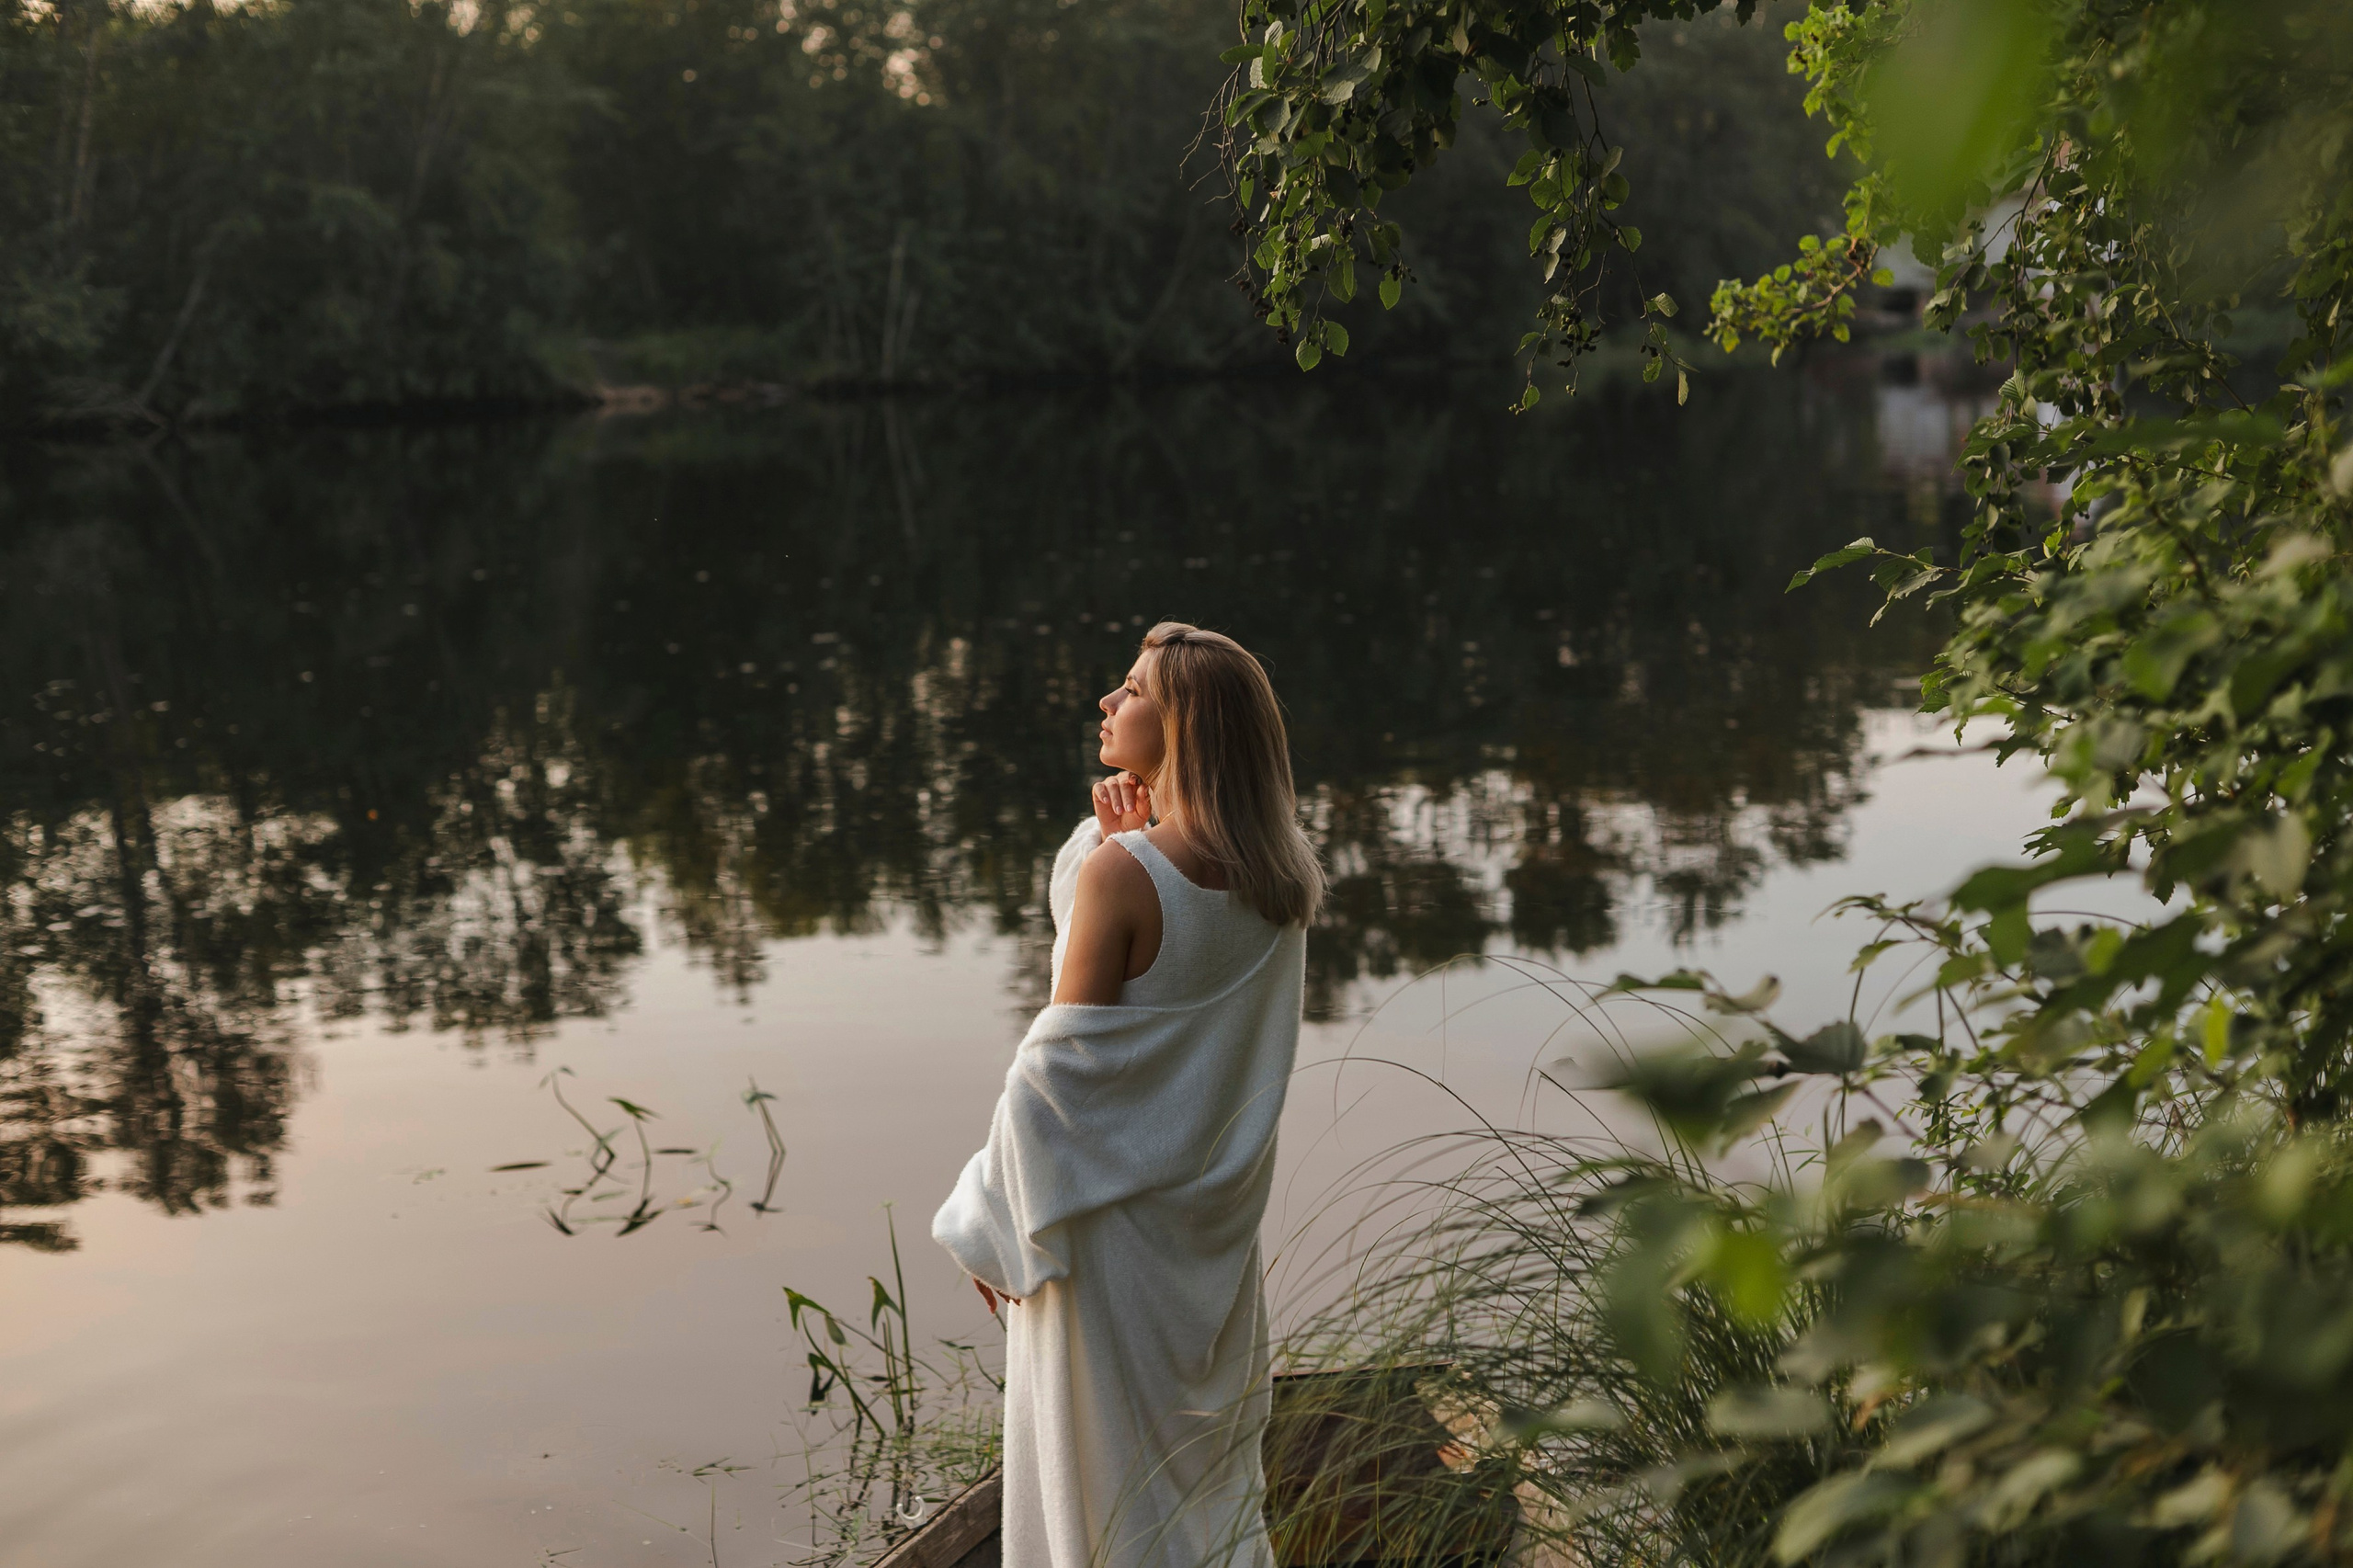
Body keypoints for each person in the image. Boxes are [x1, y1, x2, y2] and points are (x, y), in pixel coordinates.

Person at [932, 621, 1324, 1568]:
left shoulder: (1122, 871)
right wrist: (1121, 844)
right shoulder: (1282, 878)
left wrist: (986, 1215)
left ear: (1184, 722)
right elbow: (1166, 1006)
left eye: (1131, 688)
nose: (1107, 703)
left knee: (1102, 1490)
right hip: (1207, 1237)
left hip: (1102, 1235)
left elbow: (1058, 1078)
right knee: (1198, 1481)